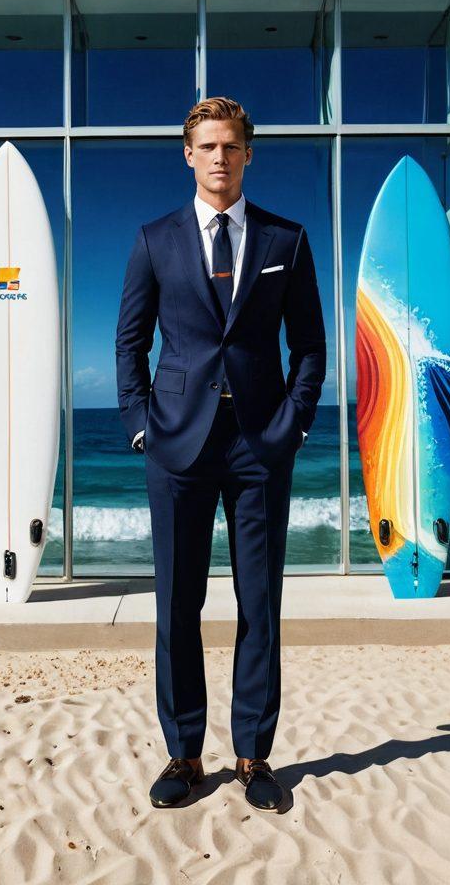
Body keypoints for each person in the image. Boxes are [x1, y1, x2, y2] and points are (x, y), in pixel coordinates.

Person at [114, 96, 326, 812]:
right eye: (207, 146)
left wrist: (294, 423)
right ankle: (183, 754)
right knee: (178, 603)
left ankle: (254, 758)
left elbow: (310, 347)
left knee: (259, 604)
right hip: (176, 445)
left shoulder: (285, 241)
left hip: (260, 445)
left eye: (231, 147)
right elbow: (130, 342)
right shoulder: (154, 240)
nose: (219, 158)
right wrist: (141, 423)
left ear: (248, 155)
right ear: (188, 154)